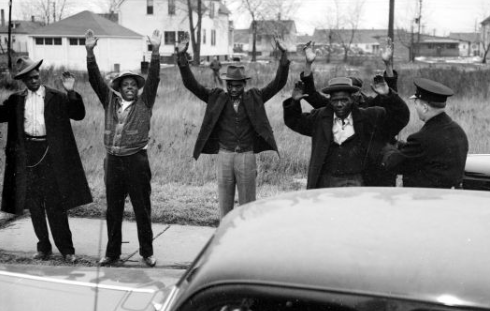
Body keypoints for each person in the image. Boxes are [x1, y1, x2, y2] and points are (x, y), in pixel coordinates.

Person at [176, 32, 290, 219]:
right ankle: (225, 240)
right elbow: (191, 84)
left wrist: (284, 55)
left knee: (248, 207)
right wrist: (181, 57)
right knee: (225, 207)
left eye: (238, 86)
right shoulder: (216, 97)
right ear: (226, 84)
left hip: (246, 155)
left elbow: (279, 83)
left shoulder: (255, 97)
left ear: (244, 85)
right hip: (225, 156)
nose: (234, 89)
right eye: (231, 85)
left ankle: (246, 241)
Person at [0, 56, 92, 262]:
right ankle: (43, 247)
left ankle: (67, 250)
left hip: (50, 154)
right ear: (23, 80)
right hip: (27, 156)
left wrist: (71, 92)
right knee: (34, 205)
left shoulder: (56, 97)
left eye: (36, 76)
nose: (34, 80)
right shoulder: (17, 100)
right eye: (29, 78)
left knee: (55, 204)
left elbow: (78, 114)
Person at [85, 29, 162, 267]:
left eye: (133, 84)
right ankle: (112, 253)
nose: (129, 87)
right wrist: (89, 52)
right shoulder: (109, 100)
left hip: (136, 160)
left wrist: (156, 51)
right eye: (125, 84)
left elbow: (154, 78)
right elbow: (95, 80)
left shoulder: (145, 101)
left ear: (138, 88)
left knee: (142, 209)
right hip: (113, 161)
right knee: (113, 210)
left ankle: (147, 253)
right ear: (119, 87)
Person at [299, 39, 408, 186]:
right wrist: (308, 64)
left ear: (356, 93)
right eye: (339, 96)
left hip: (371, 168)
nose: (342, 102)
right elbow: (311, 94)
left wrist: (388, 65)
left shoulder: (371, 107)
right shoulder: (334, 108)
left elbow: (390, 95)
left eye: (351, 94)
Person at [283, 75, 408, 189]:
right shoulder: (320, 118)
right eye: (335, 100)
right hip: (327, 181)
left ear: (352, 99)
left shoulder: (369, 117)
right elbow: (295, 121)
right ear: (330, 100)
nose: (339, 104)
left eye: (344, 100)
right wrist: (294, 102)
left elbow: (399, 118)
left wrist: (388, 95)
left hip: (359, 180)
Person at [380, 78, 469, 188]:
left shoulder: (422, 139)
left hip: (425, 200)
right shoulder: (458, 131)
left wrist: (386, 147)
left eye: (416, 103)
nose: (415, 107)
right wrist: (403, 146)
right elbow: (430, 152)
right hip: (448, 197)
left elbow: (393, 164)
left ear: (425, 108)